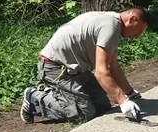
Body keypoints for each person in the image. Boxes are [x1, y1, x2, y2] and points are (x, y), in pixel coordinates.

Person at [21, 8, 149, 124]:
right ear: (132, 19)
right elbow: (101, 72)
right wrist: (123, 101)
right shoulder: (110, 28)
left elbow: (113, 67)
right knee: (83, 112)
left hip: (75, 68)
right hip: (55, 66)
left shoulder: (112, 23)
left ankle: (59, 93)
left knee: (102, 105)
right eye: (138, 31)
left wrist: (130, 94)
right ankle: (34, 99)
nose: (137, 36)